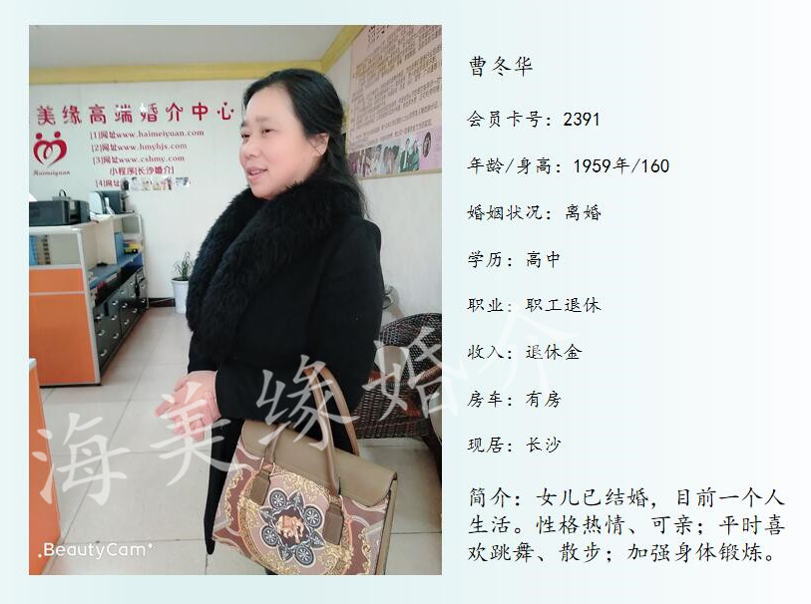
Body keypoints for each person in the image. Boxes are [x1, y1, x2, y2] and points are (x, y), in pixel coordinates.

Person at [153, 68, 385, 574]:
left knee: (292, 561)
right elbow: (218, 320)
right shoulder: (248, 222)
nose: (249, 149)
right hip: (244, 439)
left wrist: (223, 390)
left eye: (267, 131)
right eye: (244, 134)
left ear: (319, 140)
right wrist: (201, 380)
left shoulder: (348, 243)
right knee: (261, 543)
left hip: (300, 460)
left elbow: (338, 393)